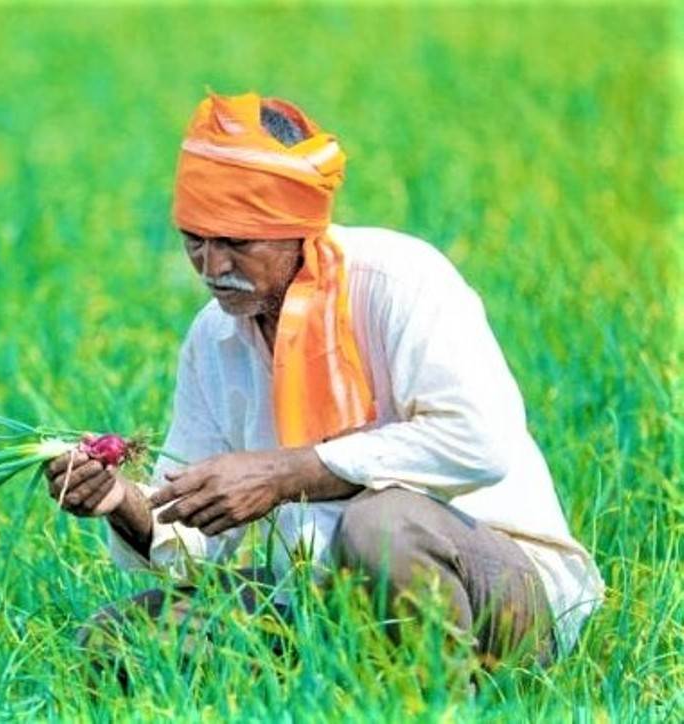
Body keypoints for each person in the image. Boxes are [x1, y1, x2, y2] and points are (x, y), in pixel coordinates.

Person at [45, 91, 604, 664]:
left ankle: (437, 701)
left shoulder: (401, 282)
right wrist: (120, 502)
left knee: (381, 525)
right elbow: (192, 537)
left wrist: (289, 474)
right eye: (195, 239)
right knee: (122, 636)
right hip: (322, 594)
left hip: (501, 595)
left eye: (237, 241)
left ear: (297, 229)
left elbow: (480, 444)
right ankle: (345, 680)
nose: (212, 268)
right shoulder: (214, 338)